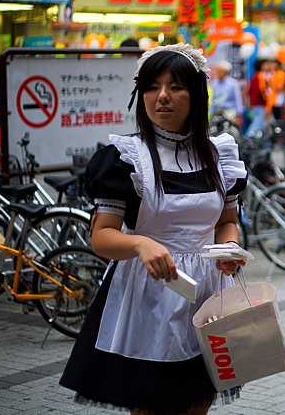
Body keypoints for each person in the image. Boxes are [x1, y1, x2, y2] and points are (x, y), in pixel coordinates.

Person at [59, 44, 249, 413]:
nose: (162, 96)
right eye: (152, 86)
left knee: (198, 402)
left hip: (206, 297)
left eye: (176, 86)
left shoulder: (218, 155)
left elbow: (226, 222)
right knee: (150, 405)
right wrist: (140, 244)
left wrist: (229, 249)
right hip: (145, 297)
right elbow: (101, 236)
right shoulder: (127, 157)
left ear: (196, 95)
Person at [244, 59, 270, 139]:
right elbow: (262, 90)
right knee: (257, 122)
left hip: (255, 103)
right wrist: (266, 98)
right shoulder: (260, 76)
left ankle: (260, 141)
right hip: (259, 103)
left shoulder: (254, 76)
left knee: (260, 123)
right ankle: (249, 137)